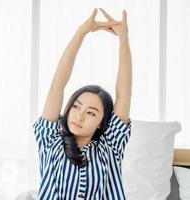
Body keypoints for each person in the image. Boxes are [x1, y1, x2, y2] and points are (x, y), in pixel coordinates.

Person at [32, 8, 132, 200]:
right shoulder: (50, 139)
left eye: (91, 113)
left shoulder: (110, 146)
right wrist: (81, 32)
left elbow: (124, 95)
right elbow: (57, 86)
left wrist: (123, 39)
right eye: (76, 106)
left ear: (101, 123)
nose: (80, 115)